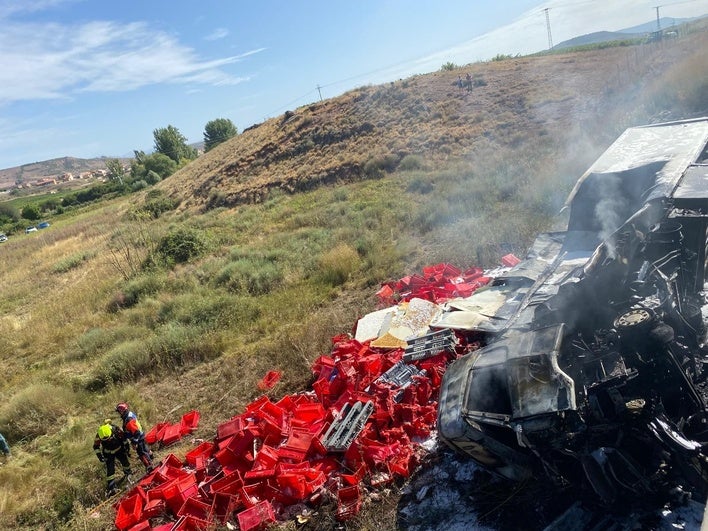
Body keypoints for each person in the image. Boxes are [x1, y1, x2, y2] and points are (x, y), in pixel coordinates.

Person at [93, 420, 132, 497]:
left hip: (119, 449)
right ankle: (111, 487)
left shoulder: (116, 430)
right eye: (104, 440)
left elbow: (124, 439)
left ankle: (129, 474)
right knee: (110, 469)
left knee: (125, 462)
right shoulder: (99, 434)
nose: (107, 441)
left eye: (108, 439)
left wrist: (127, 448)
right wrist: (99, 456)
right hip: (108, 453)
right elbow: (96, 446)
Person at [116, 402, 154, 472]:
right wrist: (125, 433)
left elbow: (136, 432)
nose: (119, 413)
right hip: (141, 435)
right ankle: (151, 457)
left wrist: (134, 442)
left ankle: (149, 466)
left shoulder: (128, 419)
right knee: (145, 449)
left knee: (141, 453)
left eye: (119, 412)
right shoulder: (129, 414)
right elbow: (132, 430)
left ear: (122, 411)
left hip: (138, 437)